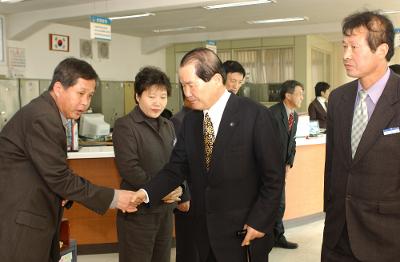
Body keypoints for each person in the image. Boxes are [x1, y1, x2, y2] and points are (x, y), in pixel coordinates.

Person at [131, 47, 284, 262]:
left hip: (244, 233)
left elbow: (274, 179)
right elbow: (176, 168)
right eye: (183, 86)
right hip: (204, 234)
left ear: (215, 80)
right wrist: (146, 193)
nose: (186, 93)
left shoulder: (256, 115)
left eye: (191, 85)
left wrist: (260, 221)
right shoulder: (192, 120)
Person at [0, 57, 136, 262]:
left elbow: (48, 172)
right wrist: (115, 198)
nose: (85, 102)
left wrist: (65, 191)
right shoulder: (43, 117)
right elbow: (60, 177)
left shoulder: (47, 113)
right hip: (23, 225)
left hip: (33, 219)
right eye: (80, 93)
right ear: (58, 88)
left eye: (90, 96)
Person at [322, 11, 400, 262]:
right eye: (344, 46)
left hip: (387, 236)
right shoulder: (338, 98)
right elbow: (333, 164)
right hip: (338, 233)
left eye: (354, 47)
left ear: (382, 50)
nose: (345, 55)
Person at [113, 66, 182, 262]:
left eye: (162, 97)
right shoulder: (125, 125)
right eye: (151, 96)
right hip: (138, 213)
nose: (157, 103)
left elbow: (177, 163)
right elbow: (130, 168)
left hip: (165, 212)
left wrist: (179, 188)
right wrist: (162, 189)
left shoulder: (168, 125)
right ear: (137, 96)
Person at [269, 80, 304, 250]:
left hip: (281, 167)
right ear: (288, 95)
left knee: (279, 203)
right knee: (274, 202)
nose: (302, 97)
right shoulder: (273, 114)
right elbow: (266, 143)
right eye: (299, 94)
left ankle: (276, 236)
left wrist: (289, 162)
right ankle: (272, 236)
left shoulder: (294, 116)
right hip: (269, 168)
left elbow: (292, 142)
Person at [170, 90, 200, 262]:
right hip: (188, 194)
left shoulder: (203, 117)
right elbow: (175, 162)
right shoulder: (178, 121)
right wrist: (183, 196)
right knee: (188, 246)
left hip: (204, 192)